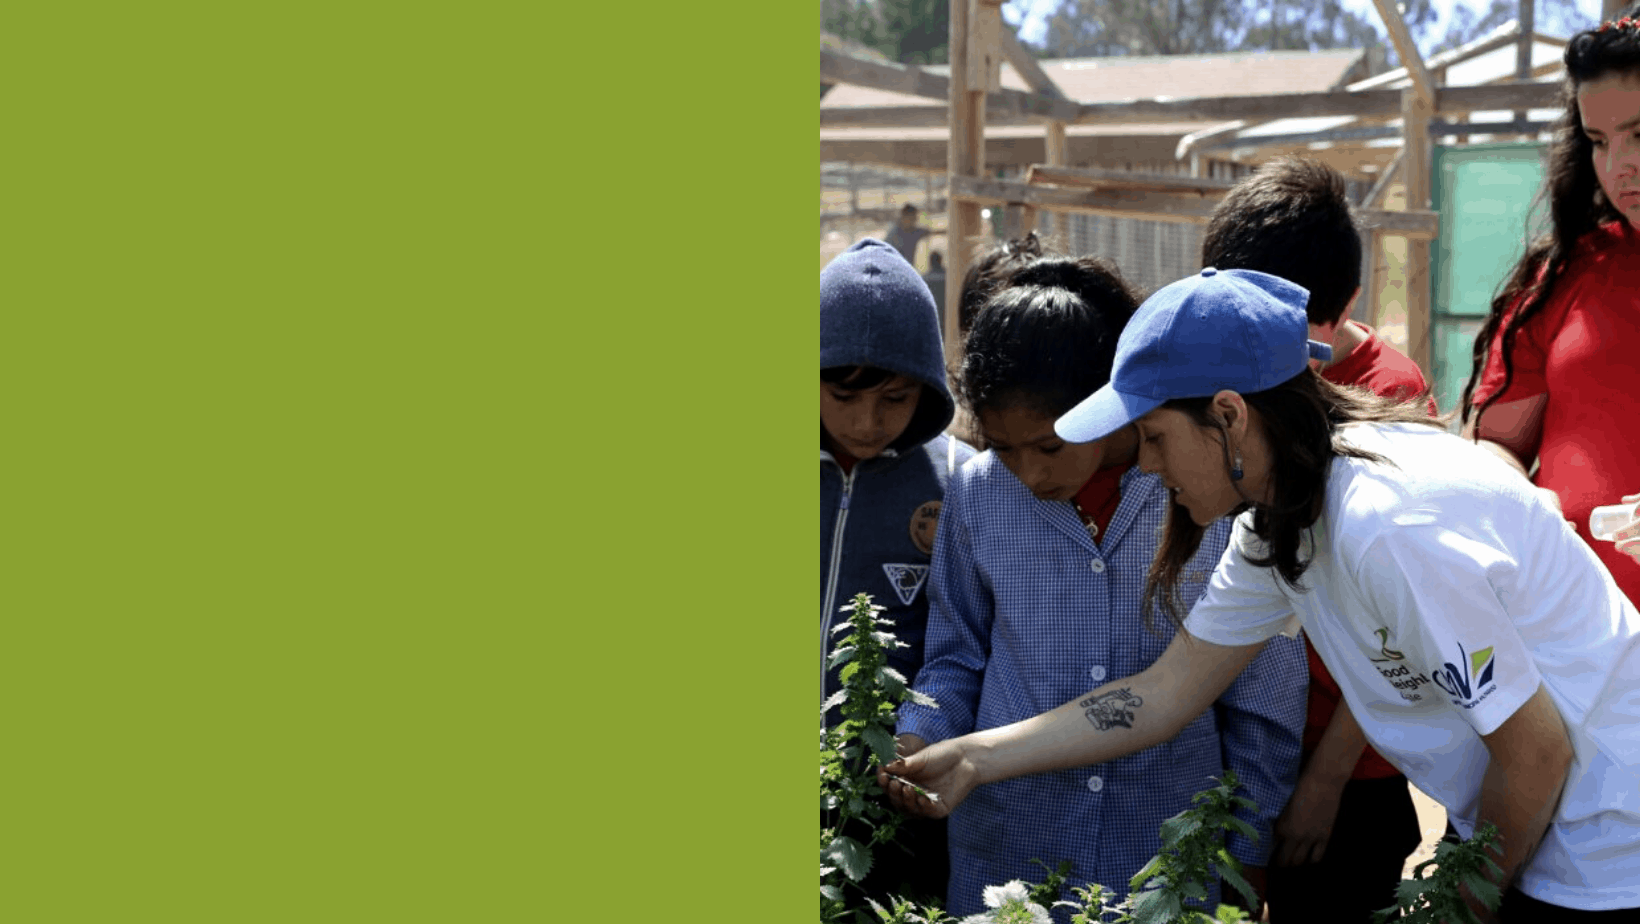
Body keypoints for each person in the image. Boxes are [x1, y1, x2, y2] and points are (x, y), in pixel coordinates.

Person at [881, 267, 1640, 921]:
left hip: (1609, 845)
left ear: (1228, 415)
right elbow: (1162, 694)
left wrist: (1465, 904)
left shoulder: (1385, 526)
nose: (1145, 466)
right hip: (1548, 833)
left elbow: (1536, 752)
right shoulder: (1278, 526)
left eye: (1155, 438)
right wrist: (975, 757)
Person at [896, 256, 1306, 920]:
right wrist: (921, 736)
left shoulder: (1201, 488)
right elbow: (956, 655)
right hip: (1010, 851)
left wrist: (1247, 843)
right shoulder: (977, 494)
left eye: (1048, 447)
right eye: (1004, 449)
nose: (1029, 475)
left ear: (1105, 407)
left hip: (1164, 852)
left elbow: (1262, 691)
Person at [1201, 155, 1428, 923]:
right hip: (1243, 728)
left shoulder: (1387, 396)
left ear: (1343, 303)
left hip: (1346, 758)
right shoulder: (1222, 374)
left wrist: (1327, 781)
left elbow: (1395, 628)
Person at [1464, 6, 1640, 605]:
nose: (1618, 166)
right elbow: (1498, 445)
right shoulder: (1562, 276)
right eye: (1598, 141)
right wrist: (1522, 501)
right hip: (1571, 636)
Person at [821, 238, 975, 904]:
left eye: (896, 397)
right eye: (842, 395)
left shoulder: (962, 481)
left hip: (894, 796)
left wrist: (921, 736)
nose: (868, 420)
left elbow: (962, 644)